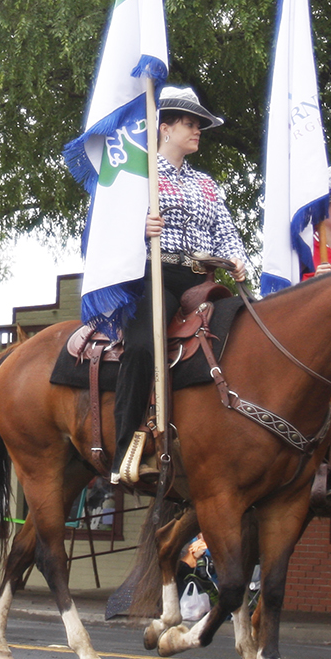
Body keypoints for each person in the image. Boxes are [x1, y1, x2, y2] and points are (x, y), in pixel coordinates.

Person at [112, 86, 249, 468]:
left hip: (203, 279)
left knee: (246, 332)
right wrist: (140, 227)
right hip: (156, 274)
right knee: (141, 346)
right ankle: (125, 449)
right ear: (165, 128)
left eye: (199, 125)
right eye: (190, 123)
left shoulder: (207, 184)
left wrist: (237, 258)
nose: (197, 130)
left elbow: (226, 231)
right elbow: (112, 229)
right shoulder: (139, 176)